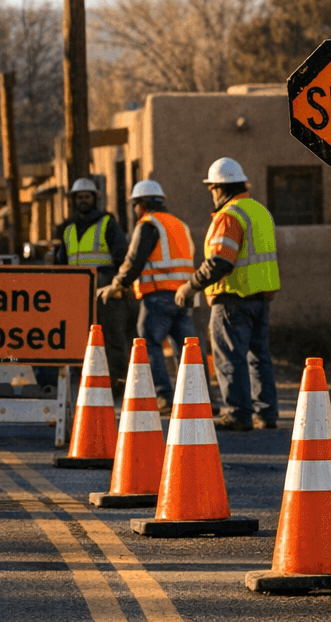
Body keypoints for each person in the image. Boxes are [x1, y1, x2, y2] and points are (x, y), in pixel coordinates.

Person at [172, 158, 280, 430]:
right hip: (261, 298)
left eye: (212, 188)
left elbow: (220, 261)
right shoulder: (260, 211)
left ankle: (238, 414)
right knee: (259, 358)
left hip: (232, 298)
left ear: (220, 187)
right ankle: (266, 413)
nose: (211, 194)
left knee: (230, 358)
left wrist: (190, 286)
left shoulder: (230, 216)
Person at [98, 180, 198, 412]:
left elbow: (134, 261)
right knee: (187, 349)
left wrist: (117, 284)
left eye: (135, 205)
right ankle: (198, 399)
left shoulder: (148, 225)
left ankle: (164, 396)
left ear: (141, 205)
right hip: (183, 296)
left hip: (158, 296)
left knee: (148, 342)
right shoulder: (179, 225)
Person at [54, 177, 130, 392]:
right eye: (79, 197)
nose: (83, 200)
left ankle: (117, 383)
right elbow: (61, 262)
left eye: (87, 196)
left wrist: (114, 282)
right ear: (73, 200)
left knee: (112, 336)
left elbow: (121, 255)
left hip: (104, 291)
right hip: (76, 293)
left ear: (95, 198)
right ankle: (85, 382)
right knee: (79, 338)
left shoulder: (107, 223)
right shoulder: (68, 228)